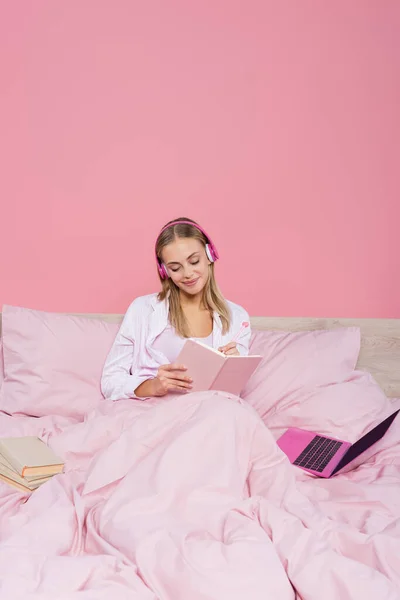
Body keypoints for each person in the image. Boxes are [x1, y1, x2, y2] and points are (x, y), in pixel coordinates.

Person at [101, 217, 251, 400]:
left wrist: (233, 371)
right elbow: (110, 380)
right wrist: (152, 386)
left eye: (194, 261)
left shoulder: (237, 317)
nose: (187, 274)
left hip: (208, 414)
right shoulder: (142, 310)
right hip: (152, 413)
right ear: (164, 271)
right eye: (175, 268)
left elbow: (232, 395)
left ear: (210, 255)